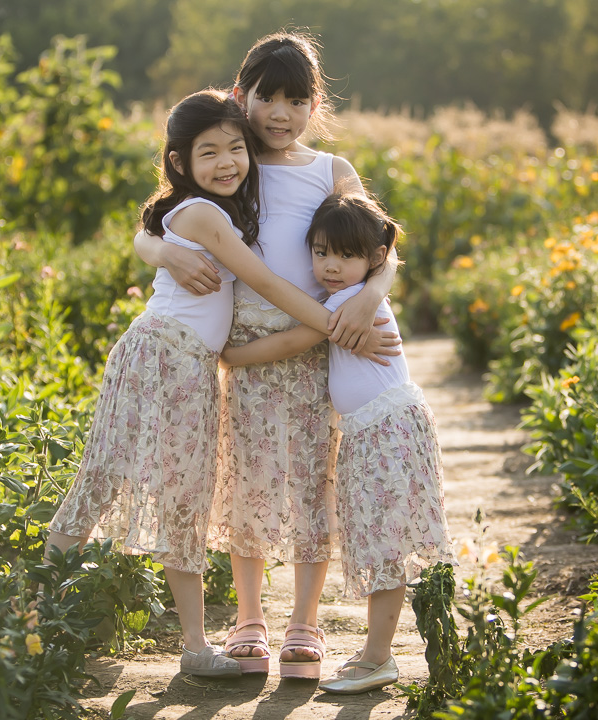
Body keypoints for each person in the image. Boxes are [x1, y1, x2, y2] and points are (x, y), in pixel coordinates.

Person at [45, 89, 376, 678]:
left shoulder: (228, 206)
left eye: (234, 149)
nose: (228, 162)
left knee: (187, 499)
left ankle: (195, 646)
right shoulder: (201, 215)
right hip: (158, 358)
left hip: (197, 368)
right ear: (179, 162)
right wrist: (339, 325)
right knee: (100, 480)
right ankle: (33, 616)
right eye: (209, 152)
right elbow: (266, 282)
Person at [135, 31, 400, 678]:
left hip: (319, 350)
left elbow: (381, 245)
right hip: (244, 350)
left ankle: (304, 622)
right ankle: (249, 618)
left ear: (316, 104)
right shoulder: (229, 159)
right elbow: (152, 224)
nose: (280, 112)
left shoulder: (331, 170)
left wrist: (371, 297)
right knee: (245, 482)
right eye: (267, 96)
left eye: (296, 98)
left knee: (316, 482)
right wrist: (164, 252)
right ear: (240, 95)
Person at [221, 191, 454, 694]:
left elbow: (291, 341)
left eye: (346, 256)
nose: (330, 265)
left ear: (373, 259)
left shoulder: (349, 305)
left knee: (384, 542)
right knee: (376, 539)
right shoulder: (346, 296)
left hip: (385, 431)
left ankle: (378, 658)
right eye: (321, 252)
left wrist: (229, 356)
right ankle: (375, 653)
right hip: (372, 431)